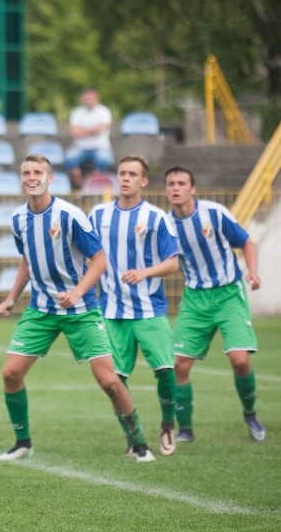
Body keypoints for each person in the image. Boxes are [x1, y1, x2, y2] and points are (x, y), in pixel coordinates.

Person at [0, 154, 155, 462]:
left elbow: (100, 260)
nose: (31, 176)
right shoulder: (18, 219)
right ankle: (22, 443)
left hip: (81, 310)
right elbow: (27, 259)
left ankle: (139, 443)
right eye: (26, 171)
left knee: (109, 380)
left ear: (50, 178)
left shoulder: (69, 215)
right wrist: (12, 296)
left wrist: (78, 291)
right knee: (11, 373)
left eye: (38, 172)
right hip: (41, 309)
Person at [163, 166, 267, 444]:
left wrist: (253, 272)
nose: (176, 187)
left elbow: (247, 242)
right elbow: (165, 260)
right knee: (178, 365)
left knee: (240, 361)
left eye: (181, 183)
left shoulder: (214, 213)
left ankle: (250, 413)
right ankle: (185, 429)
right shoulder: (165, 225)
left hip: (228, 294)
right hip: (195, 299)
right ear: (165, 190)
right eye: (171, 183)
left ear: (192, 189)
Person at [88, 155, 181, 456]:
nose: (125, 178)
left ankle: (168, 425)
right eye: (122, 173)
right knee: (114, 381)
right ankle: (134, 436)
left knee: (166, 369)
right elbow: (86, 254)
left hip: (149, 309)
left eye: (132, 174)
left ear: (143, 181)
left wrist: (144, 272)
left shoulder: (156, 218)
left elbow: (173, 263)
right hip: (113, 312)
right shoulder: (98, 215)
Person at [65, 87, 114, 190]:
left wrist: (82, 131)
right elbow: (73, 132)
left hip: (101, 147)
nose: (89, 101)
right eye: (87, 98)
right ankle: (81, 188)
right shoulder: (76, 112)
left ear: (97, 99)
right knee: (69, 159)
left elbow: (101, 128)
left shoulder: (104, 111)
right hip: (80, 148)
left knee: (104, 160)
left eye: (91, 98)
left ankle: (92, 187)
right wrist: (93, 131)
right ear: (82, 99)